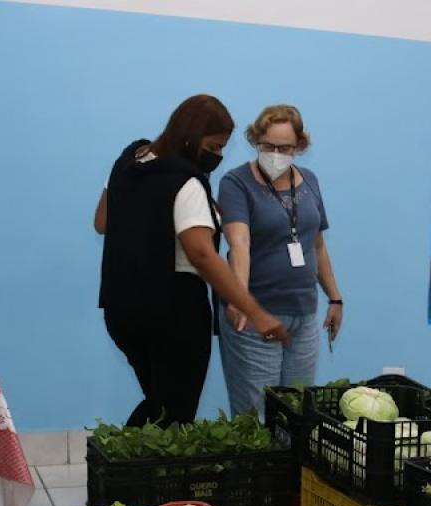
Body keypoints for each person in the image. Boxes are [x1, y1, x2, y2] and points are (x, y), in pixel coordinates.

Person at [95, 94, 288, 427]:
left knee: (159, 405)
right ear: (190, 136)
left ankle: (123, 469)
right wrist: (255, 311)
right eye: (213, 148)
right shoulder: (186, 181)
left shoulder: (130, 160)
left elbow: (102, 222)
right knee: (174, 415)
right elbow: (202, 255)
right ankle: (135, 474)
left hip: (122, 311)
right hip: (173, 315)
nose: (217, 156)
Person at [217, 105, 343, 417]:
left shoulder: (310, 180)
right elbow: (239, 243)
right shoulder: (236, 183)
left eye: (284, 148)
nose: (275, 154)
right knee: (257, 417)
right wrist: (239, 298)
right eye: (267, 146)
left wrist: (335, 298)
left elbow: (317, 245)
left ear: (299, 146)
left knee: (297, 411)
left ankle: (290, 468)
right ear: (255, 140)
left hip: (302, 315)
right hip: (256, 317)